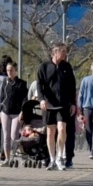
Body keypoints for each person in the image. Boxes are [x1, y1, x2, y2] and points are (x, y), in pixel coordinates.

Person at [37, 43, 77, 171]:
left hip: (63, 104)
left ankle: (60, 156)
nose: (65, 54)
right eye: (63, 51)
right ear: (55, 52)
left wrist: (73, 103)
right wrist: (42, 100)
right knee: (50, 132)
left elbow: (72, 86)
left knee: (62, 128)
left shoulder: (67, 66)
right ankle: (52, 159)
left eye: (66, 51)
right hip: (49, 105)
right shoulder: (44, 67)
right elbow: (39, 85)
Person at [0, 62, 28, 166]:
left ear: (16, 71)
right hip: (5, 111)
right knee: (6, 136)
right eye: (7, 70)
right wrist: (0, 112)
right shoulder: (5, 83)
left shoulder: (22, 83)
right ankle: (7, 158)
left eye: (11, 70)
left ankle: (22, 153)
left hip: (17, 113)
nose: (9, 72)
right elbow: (1, 98)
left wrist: (23, 112)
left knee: (14, 136)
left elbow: (25, 99)